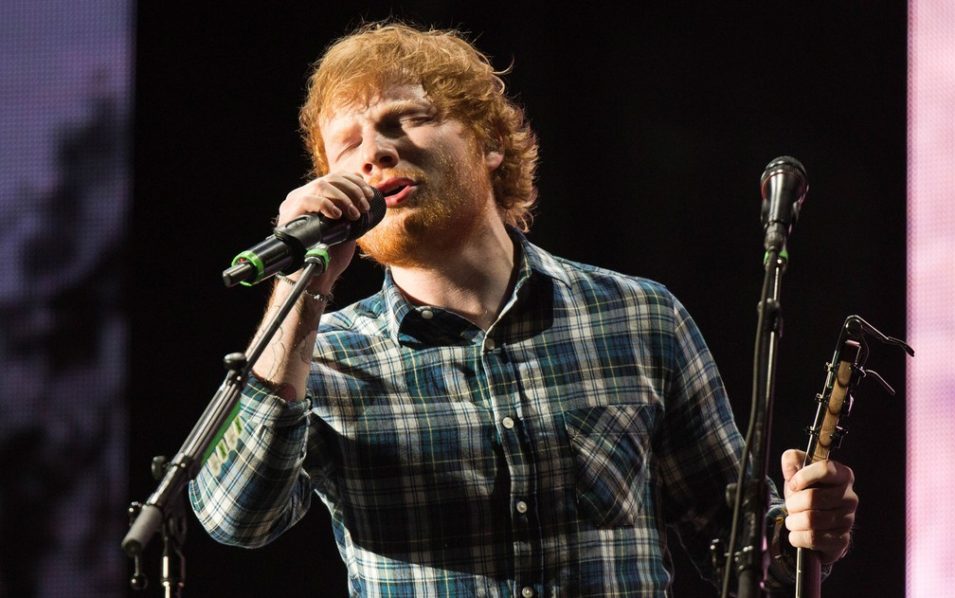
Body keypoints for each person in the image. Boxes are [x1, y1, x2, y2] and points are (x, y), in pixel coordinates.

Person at [189, 21, 858, 596]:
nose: (375, 153)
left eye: (402, 120)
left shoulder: (639, 317)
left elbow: (741, 552)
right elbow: (237, 519)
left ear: (489, 143)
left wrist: (802, 535)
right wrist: (300, 287)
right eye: (348, 145)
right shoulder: (326, 355)